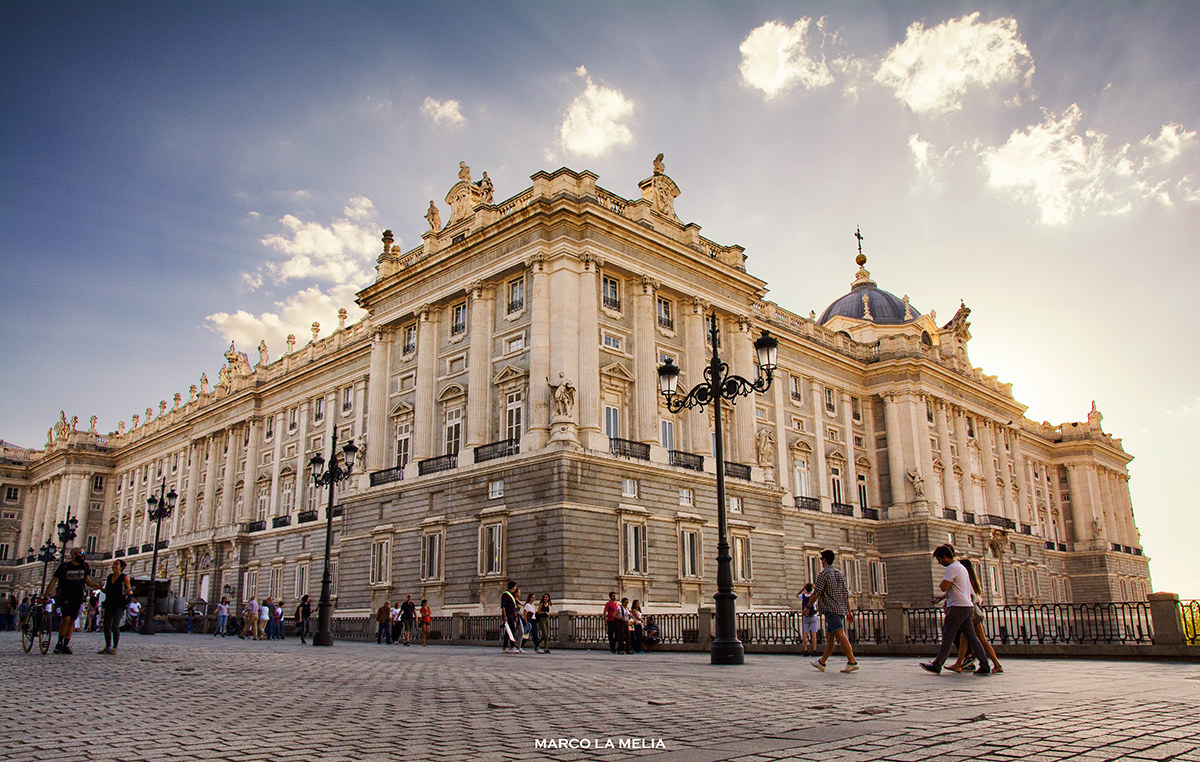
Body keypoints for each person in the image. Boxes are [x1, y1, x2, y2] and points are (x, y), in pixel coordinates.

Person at [921, 545, 991, 676]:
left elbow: (944, 586)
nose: (939, 562)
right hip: (967, 606)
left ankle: (937, 665)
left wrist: (942, 587)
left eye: (939, 559)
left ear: (945, 557)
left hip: (957, 607)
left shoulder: (951, 568)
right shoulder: (962, 568)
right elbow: (964, 589)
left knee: (947, 636)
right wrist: (943, 597)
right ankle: (985, 665)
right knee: (973, 638)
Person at [946, 559, 1003, 674]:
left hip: (969, 612)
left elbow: (967, 595)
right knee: (967, 640)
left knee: (977, 640)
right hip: (974, 611)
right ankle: (959, 664)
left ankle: (995, 664)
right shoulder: (973, 581)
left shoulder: (966, 581)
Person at [44, 547, 101, 654]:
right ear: (73, 554)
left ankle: (66, 644)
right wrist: (46, 594)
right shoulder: (64, 566)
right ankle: (59, 642)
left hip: (78, 596)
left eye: (83, 552)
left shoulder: (84, 566)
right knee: (66, 618)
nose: (83, 554)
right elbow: (54, 580)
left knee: (72, 620)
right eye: (80, 552)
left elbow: (87, 580)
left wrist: (95, 586)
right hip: (65, 596)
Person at [810, 549, 860, 673]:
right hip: (841, 609)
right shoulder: (840, 574)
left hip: (831, 610)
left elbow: (816, 593)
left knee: (840, 635)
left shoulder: (823, 575)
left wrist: (807, 607)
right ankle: (822, 662)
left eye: (821, 559)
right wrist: (848, 611)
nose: (821, 561)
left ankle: (852, 661)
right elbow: (845, 595)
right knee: (830, 636)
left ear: (825, 559)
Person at [99, 558, 132, 654]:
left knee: (115, 626)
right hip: (109, 602)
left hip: (119, 604)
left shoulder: (124, 577)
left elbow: (129, 590)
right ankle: (108, 645)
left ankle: (115, 647)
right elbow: (107, 590)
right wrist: (101, 589)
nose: (114, 566)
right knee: (106, 625)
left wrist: (128, 592)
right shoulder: (109, 577)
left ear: (121, 567)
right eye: (113, 564)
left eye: (116, 564)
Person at [500, 581, 521, 654]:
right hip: (508, 616)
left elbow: (513, 607)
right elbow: (503, 606)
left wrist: (515, 615)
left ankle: (504, 647)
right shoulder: (505, 595)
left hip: (512, 615)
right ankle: (512, 647)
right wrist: (505, 616)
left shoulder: (511, 595)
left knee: (508, 632)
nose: (515, 588)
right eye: (515, 586)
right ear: (512, 587)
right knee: (512, 630)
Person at [799, 583, 819, 656]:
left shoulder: (803, 596)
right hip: (813, 615)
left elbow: (797, 595)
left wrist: (802, 589)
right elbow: (818, 592)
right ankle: (814, 650)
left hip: (806, 616)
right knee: (814, 634)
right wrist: (815, 587)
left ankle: (805, 649)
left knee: (805, 633)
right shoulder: (813, 596)